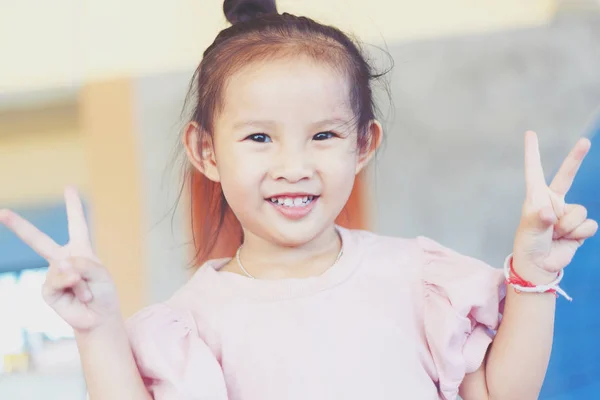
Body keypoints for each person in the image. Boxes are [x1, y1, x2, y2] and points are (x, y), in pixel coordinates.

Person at [1, 1, 597, 399]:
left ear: (364, 144)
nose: (294, 167)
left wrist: (535, 277)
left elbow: (498, 394)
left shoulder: (419, 278)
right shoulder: (193, 328)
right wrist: (98, 328)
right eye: (259, 137)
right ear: (205, 151)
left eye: (324, 135)